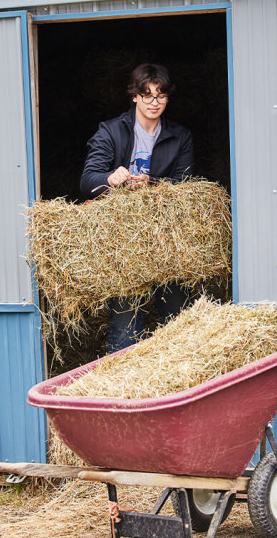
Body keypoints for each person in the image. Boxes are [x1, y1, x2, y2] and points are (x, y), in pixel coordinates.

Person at [80, 63, 194, 352]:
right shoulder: (111, 131)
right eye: (147, 95)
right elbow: (87, 181)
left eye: (160, 95)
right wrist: (111, 178)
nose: (154, 103)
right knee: (125, 316)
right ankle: (122, 380)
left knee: (178, 309)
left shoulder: (180, 136)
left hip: (164, 235)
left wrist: (152, 184)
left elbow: (185, 185)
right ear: (134, 96)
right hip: (124, 237)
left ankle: (183, 374)